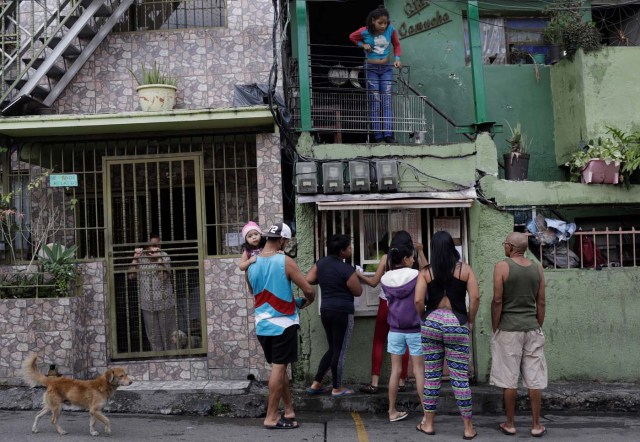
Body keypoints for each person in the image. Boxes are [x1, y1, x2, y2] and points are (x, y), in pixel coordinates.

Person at [246, 222, 314, 430]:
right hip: (283, 323)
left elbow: (255, 292)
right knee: (279, 368)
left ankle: (289, 409)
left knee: (280, 367)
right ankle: (271, 416)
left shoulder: (251, 263)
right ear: (283, 241)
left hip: (262, 324)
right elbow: (308, 289)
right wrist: (305, 301)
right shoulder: (285, 261)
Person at [415, 230, 479, 440]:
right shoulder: (465, 270)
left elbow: (417, 301)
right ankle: (468, 428)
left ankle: (429, 423)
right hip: (456, 322)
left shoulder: (426, 272)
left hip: (432, 322)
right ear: (452, 248)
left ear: (433, 249)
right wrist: (469, 320)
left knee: (432, 376)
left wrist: (424, 317)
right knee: (459, 377)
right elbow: (476, 298)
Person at [491, 232, 547, 438]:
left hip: (508, 329)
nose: (504, 246)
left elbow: (497, 300)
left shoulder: (502, 266)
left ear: (511, 247)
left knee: (509, 378)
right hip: (531, 327)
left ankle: (510, 423)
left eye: (505, 243)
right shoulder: (538, 268)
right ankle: (536, 425)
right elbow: (541, 301)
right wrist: (537, 323)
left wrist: (495, 326)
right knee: (534, 377)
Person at [358, 232, 427, 394]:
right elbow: (426, 271)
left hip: (385, 302)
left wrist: (358, 275)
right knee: (406, 341)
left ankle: (374, 382)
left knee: (378, 341)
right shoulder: (411, 260)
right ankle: (402, 381)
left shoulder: (386, 258)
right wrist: (421, 251)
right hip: (407, 306)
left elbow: (374, 282)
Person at [305, 234, 362, 397]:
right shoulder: (346, 269)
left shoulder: (321, 263)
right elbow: (358, 291)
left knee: (333, 349)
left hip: (326, 311)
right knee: (340, 350)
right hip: (342, 312)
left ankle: (316, 383)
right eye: (349, 247)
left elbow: (309, 279)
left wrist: (324, 280)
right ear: (342, 251)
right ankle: (337, 388)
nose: (351, 249)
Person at [380, 236, 423, 422]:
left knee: (395, 372)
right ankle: (426, 415)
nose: (414, 260)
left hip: (395, 330)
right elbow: (421, 298)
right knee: (420, 371)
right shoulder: (416, 275)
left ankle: (391, 411)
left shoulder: (385, 278)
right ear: (405, 259)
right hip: (415, 330)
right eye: (412, 257)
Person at [349, 5, 402, 143]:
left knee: (387, 101)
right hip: (371, 69)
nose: (383, 26)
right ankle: (378, 136)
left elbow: (396, 45)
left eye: (385, 23)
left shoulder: (391, 30)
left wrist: (397, 59)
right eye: (380, 23)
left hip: (386, 69)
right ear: (373, 21)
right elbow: (352, 37)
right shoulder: (364, 31)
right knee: (375, 102)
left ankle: (388, 135)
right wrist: (362, 44)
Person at [128, 233, 176, 351]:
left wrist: (159, 258)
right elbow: (131, 276)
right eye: (153, 245)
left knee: (168, 332)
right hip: (147, 303)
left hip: (165, 302)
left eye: (158, 245)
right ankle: (158, 357)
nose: (156, 247)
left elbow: (163, 277)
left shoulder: (164, 256)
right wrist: (135, 257)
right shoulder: (141, 257)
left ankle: (172, 357)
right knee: (153, 334)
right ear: (146, 246)